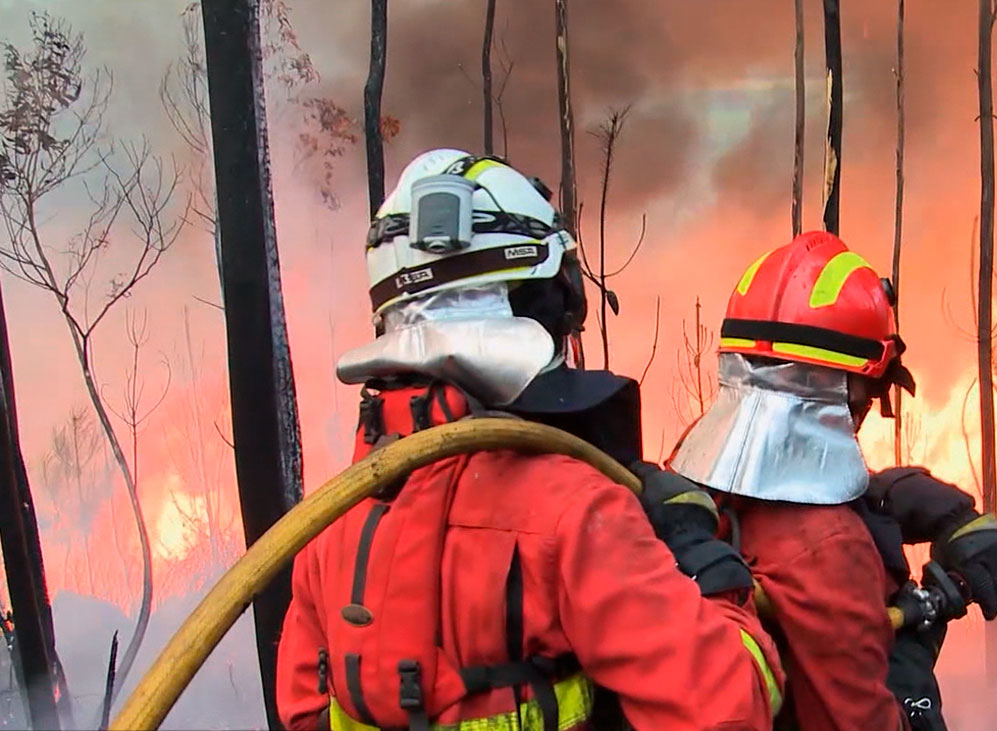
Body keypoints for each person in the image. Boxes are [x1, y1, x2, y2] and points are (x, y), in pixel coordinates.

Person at [275, 149, 783, 731]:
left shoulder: (332, 517)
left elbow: (304, 713)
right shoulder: (576, 510)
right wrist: (705, 566)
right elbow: (726, 711)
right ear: (538, 304)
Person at [665, 231, 997, 731]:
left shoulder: (693, 472)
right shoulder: (833, 551)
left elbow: (790, 483)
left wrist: (907, 496)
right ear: (850, 385)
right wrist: (909, 648)